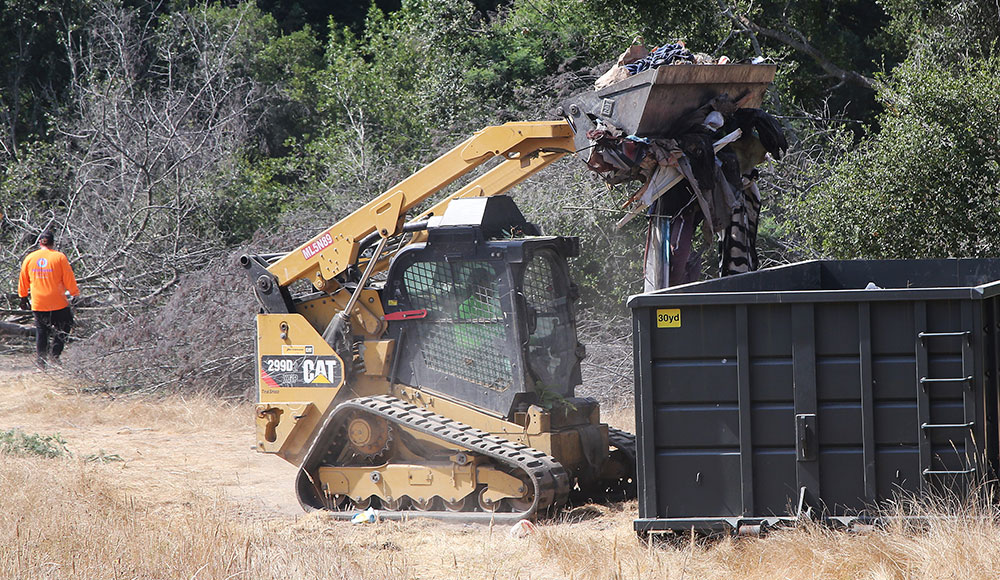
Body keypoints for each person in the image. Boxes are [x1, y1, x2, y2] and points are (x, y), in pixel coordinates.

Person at [18, 230, 80, 369]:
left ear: (40, 242)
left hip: (39, 302)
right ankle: (55, 355)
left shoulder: (29, 258)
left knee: (42, 331)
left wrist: (22, 297)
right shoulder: (59, 257)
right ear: (53, 242)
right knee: (65, 326)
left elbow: (23, 279)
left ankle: (41, 362)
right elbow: (69, 278)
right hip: (57, 301)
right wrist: (74, 293)